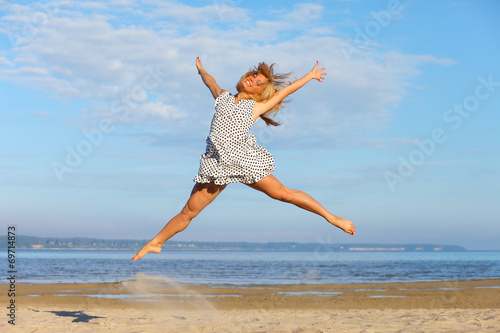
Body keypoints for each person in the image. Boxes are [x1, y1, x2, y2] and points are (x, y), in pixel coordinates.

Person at [132, 58, 355, 261]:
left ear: (259, 94)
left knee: (283, 194)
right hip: (216, 164)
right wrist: (201, 70)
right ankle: (156, 243)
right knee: (188, 211)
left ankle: (331, 217)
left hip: (243, 160)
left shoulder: (256, 107)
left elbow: (284, 92)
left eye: (258, 83)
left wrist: (310, 75)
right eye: (253, 76)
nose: (253, 80)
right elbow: (211, 82)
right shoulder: (223, 97)